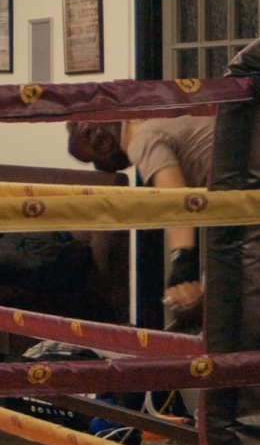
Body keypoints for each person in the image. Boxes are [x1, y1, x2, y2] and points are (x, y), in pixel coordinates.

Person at [69, 115, 215, 329]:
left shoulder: (142, 139)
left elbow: (176, 200)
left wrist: (183, 265)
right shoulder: (154, 129)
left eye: (91, 135)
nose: (98, 164)